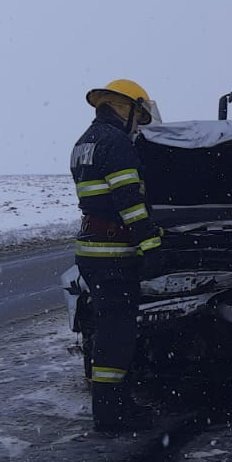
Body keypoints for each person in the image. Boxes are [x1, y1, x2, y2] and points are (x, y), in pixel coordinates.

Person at [71, 79, 163, 432]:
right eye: (138, 117)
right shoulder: (117, 143)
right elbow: (130, 202)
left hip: (93, 249)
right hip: (112, 253)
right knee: (117, 335)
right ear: (124, 108)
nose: (138, 125)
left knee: (110, 330)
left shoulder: (85, 142)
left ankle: (114, 403)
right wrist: (150, 245)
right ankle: (111, 414)